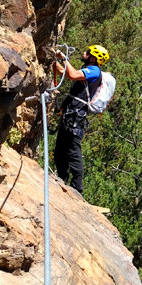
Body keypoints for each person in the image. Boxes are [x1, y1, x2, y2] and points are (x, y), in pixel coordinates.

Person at [52, 44, 109, 194]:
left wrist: (63, 57)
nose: (84, 53)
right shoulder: (88, 71)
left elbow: (73, 75)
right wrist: (52, 61)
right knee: (59, 151)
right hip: (70, 114)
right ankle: (62, 179)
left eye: (87, 52)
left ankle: (77, 188)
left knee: (73, 151)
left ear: (93, 57)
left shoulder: (94, 71)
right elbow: (64, 72)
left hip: (75, 117)